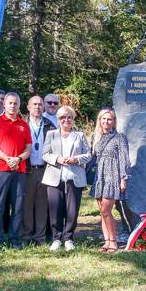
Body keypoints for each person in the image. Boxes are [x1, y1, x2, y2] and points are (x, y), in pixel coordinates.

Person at [42, 105, 91, 252]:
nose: (66, 120)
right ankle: (56, 239)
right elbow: (45, 154)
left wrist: (76, 159)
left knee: (72, 210)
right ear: (58, 119)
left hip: (74, 178)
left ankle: (69, 238)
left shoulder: (80, 135)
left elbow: (88, 155)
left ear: (73, 119)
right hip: (54, 178)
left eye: (69, 117)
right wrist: (57, 159)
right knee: (55, 209)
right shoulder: (51, 134)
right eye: (63, 117)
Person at [0, 92, 32, 248]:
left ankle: (15, 240)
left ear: (19, 106)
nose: (12, 106)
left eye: (15, 103)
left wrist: (18, 159)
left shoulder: (24, 125)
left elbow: (28, 149)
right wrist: (7, 159)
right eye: (10, 103)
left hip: (19, 170)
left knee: (18, 207)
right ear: (4, 105)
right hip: (0, 170)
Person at [89, 108, 130, 253]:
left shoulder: (119, 137)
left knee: (106, 210)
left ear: (113, 122)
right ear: (99, 120)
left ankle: (113, 241)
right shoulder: (96, 137)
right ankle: (106, 241)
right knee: (102, 212)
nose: (106, 121)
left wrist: (123, 178)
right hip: (99, 177)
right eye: (103, 119)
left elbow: (124, 158)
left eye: (109, 119)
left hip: (113, 176)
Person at [23, 95, 56, 246]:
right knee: (27, 204)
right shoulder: (22, 124)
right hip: (27, 169)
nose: (37, 107)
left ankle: (40, 237)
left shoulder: (50, 125)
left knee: (42, 205)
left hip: (45, 169)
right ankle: (26, 236)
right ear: (28, 107)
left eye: (40, 104)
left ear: (43, 107)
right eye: (34, 104)